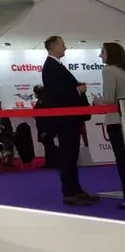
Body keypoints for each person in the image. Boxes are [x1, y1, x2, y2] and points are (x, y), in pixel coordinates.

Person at [40, 35, 97, 206]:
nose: (65, 47)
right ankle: (70, 192)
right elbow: (57, 94)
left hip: (70, 119)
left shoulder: (56, 66)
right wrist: (78, 91)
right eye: (62, 45)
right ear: (54, 47)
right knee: (68, 155)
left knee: (72, 155)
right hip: (65, 120)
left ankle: (76, 190)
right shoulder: (51, 67)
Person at [99, 41, 125, 210]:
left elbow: (109, 99)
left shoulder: (108, 70)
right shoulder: (122, 70)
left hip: (116, 121)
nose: (100, 55)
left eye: (103, 52)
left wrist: (98, 102)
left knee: (122, 160)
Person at [32, 85, 59, 169]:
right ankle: (49, 163)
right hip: (43, 127)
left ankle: (55, 162)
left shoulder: (44, 101)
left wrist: (46, 130)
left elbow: (48, 117)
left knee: (49, 146)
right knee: (48, 145)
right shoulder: (43, 100)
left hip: (46, 127)